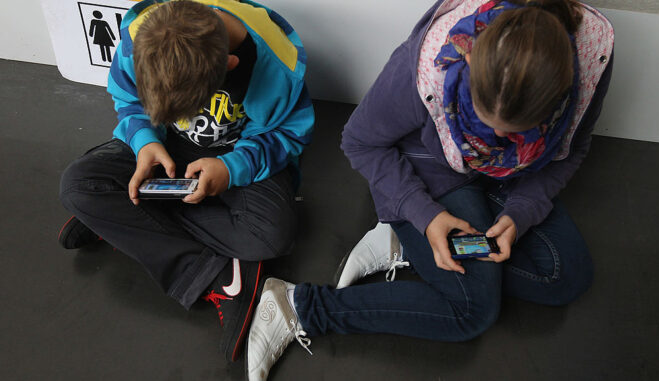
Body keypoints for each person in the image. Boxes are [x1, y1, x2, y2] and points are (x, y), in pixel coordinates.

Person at [243, 0, 614, 379]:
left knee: (567, 278)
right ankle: (299, 307)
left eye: (521, 131)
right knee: (473, 311)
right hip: (429, 170)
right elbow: (359, 142)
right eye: (487, 120)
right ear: (468, 60)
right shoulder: (430, 65)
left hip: (510, 177)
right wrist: (425, 212)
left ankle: (412, 246)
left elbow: (571, 150)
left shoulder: (588, 56)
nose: (501, 139)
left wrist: (522, 209)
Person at [58, 0, 314, 363]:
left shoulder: (275, 61)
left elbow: (287, 135)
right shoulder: (141, 35)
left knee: (272, 235)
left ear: (229, 65)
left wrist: (231, 169)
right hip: (165, 147)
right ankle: (224, 274)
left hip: (243, 154)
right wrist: (145, 142)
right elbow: (129, 101)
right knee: (76, 187)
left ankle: (124, 219)